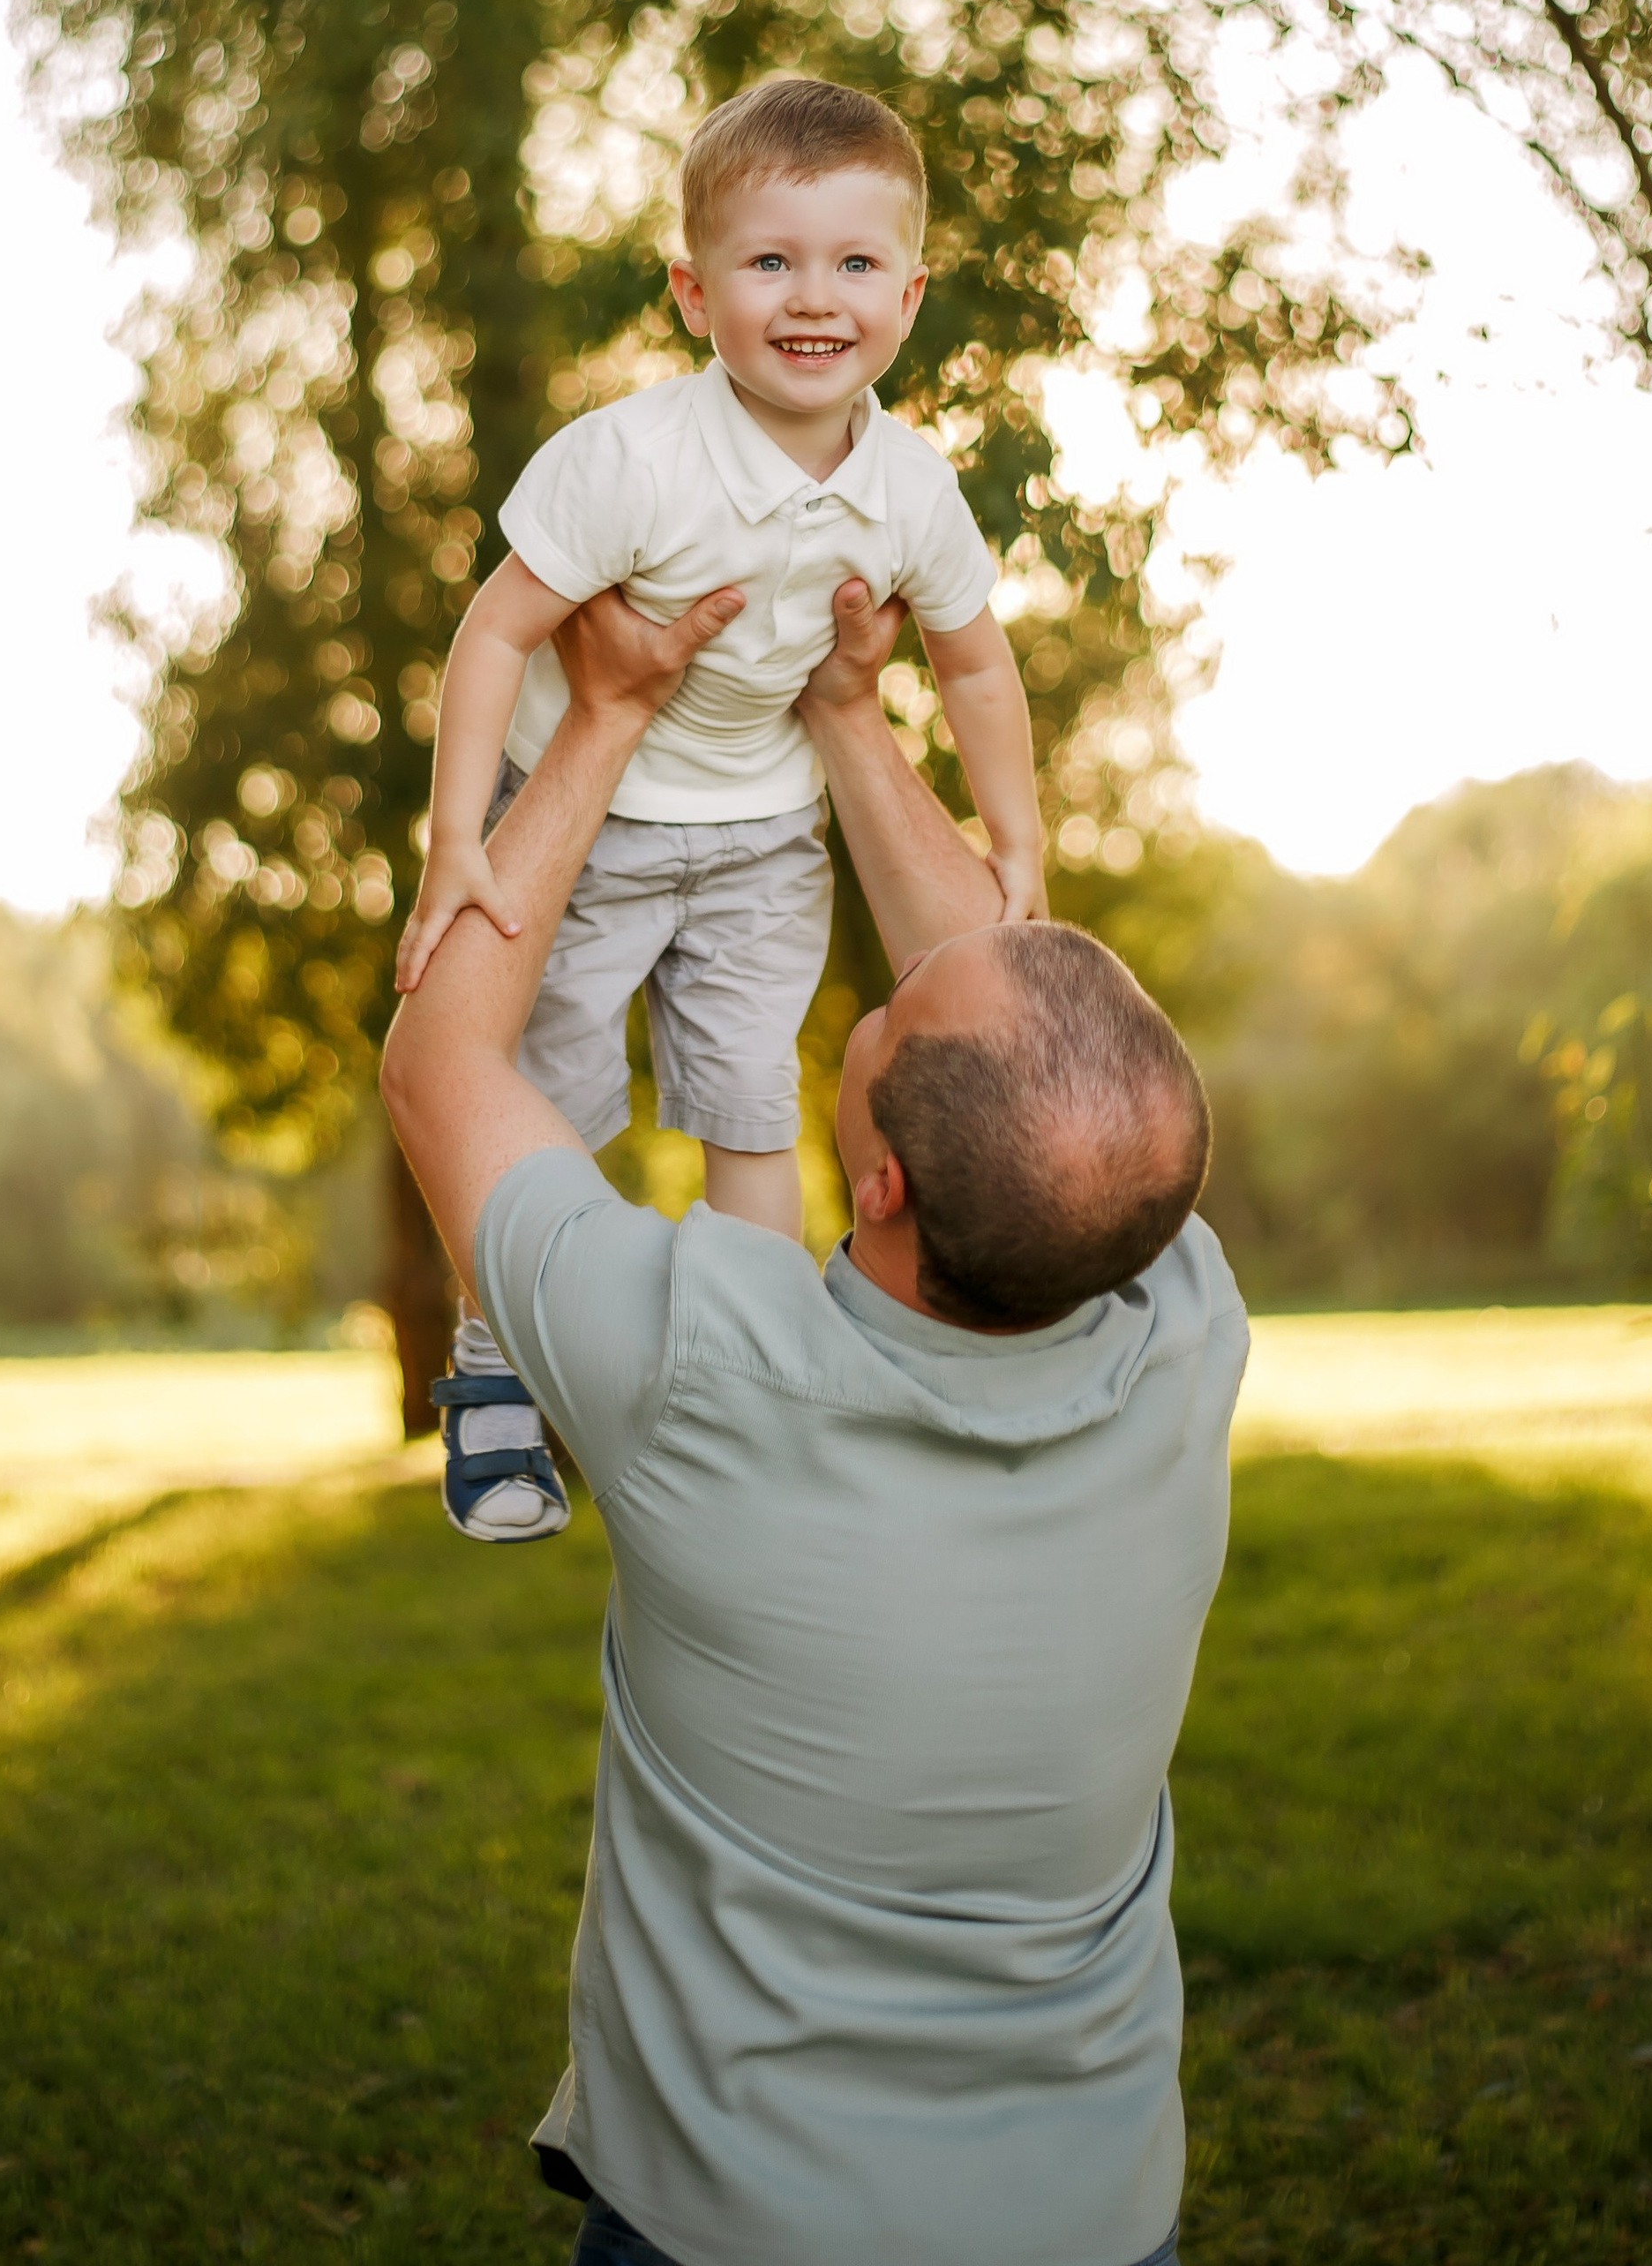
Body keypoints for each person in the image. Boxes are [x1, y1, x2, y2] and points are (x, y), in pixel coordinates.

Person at [380, 569, 1249, 2266]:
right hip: (1089, 2225)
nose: (909, 977)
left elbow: (442, 1065)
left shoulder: (707, 1370)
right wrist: (846, 710)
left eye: (893, 1014)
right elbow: (1022, 1037)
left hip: (734, 2232)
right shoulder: (1177, 1325)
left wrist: (606, 713)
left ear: (882, 1182)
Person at [394, 75, 1046, 1543]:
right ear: (695, 292)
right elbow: (493, 636)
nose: (814, 298)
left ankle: (766, 1388)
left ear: (911, 292)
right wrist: (456, 842)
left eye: (855, 264)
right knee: (547, 1096)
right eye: (771, 263)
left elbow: (977, 661)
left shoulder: (911, 486)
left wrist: (1018, 834)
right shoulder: (631, 461)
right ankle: (497, 1383)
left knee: (753, 1099)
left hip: (762, 835)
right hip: (596, 824)